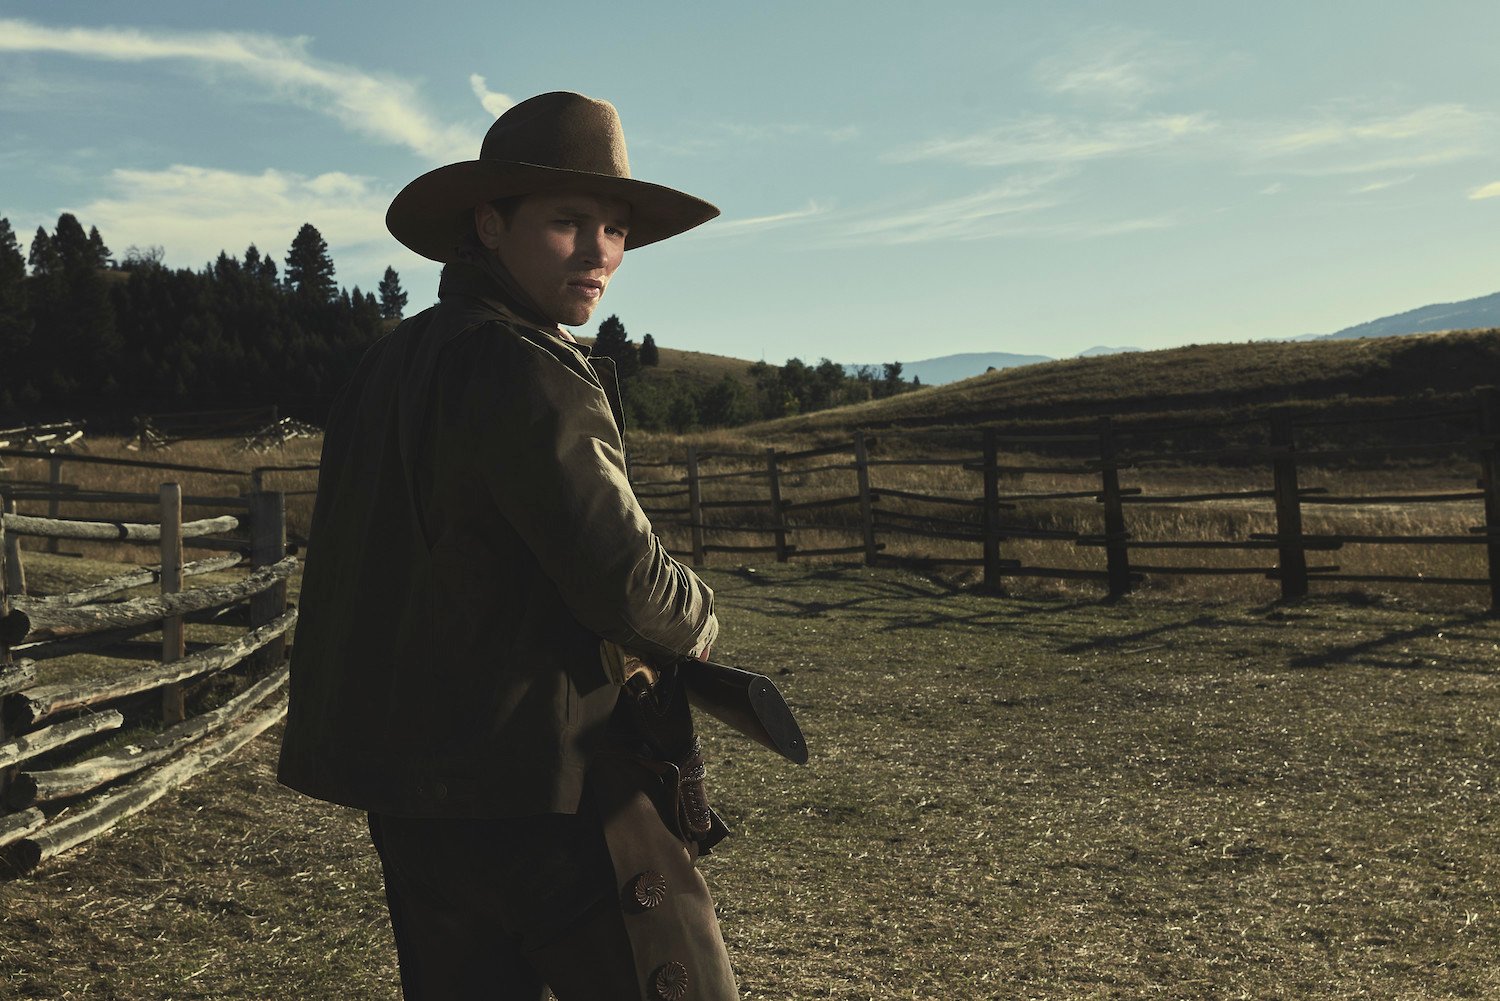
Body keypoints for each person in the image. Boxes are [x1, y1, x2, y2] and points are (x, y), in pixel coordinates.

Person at [277, 91, 739, 1000]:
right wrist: (700, 616)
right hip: (545, 789)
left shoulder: (387, 365)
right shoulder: (525, 364)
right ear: (489, 224)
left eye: (613, 227)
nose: (600, 251)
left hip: (415, 799)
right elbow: (628, 582)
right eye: (569, 221)